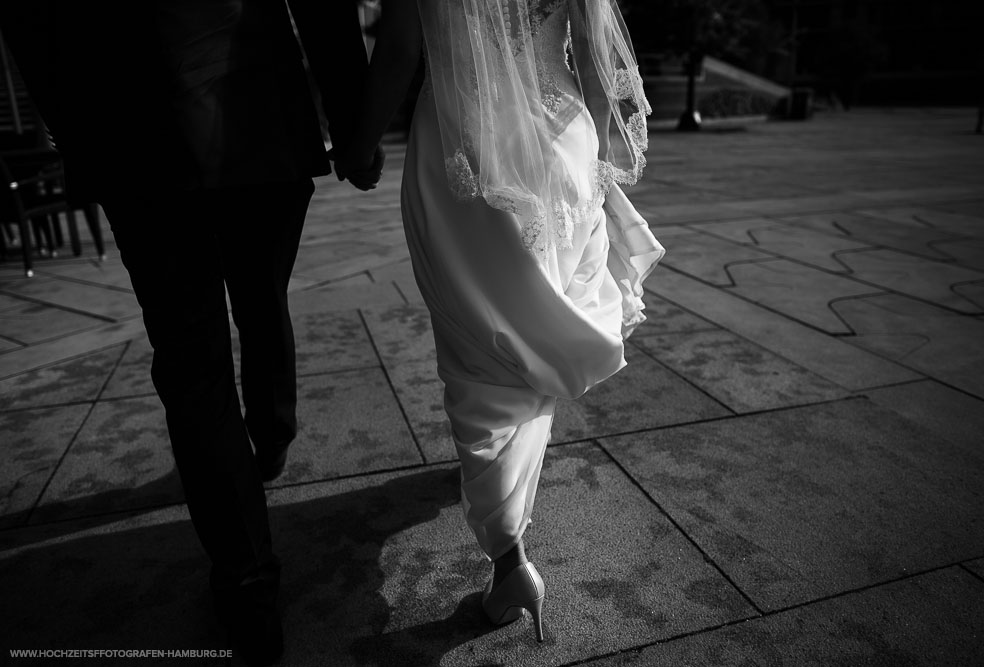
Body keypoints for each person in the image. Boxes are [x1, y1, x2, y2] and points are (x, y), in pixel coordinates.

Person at [0, 1, 380, 664]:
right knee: (258, 302)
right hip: (253, 106)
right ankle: (271, 433)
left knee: (192, 362)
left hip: (133, 129)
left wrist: (80, 134)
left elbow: (32, 21)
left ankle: (248, 586)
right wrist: (352, 120)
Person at [335, 0, 664, 641]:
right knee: (536, 328)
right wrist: (591, 169)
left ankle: (511, 558)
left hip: (465, 149)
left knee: (479, 351)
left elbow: (401, 47)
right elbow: (596, 59)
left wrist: (359, 140)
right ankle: (511, 527)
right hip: (559, 143)